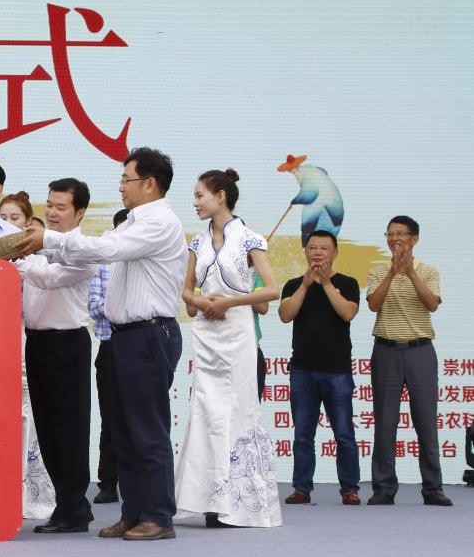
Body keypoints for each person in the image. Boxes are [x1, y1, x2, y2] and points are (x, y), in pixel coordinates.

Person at [16, 147, 186, 541]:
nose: (121, 187)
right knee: (122, 431)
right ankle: (134, 512)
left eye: (126, 180)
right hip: (122, 336)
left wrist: (48, 239)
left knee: (147, 429)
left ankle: (158, 515)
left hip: (149, 334)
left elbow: (105, 251)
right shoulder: (132, 222)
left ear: (150, 183)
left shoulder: (159, 222)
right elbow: (106, 246)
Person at [176, 169, 281, 528]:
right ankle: (208, 499)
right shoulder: (196, 242)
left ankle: (238, 502)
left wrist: (230, 302)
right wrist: (201, 302)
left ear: (220, 195)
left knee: (237, 410)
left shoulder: (250, 239)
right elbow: (186, 291)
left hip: (237, 332)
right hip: (207, 333)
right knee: (206, 411)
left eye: (200, 195)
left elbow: (272, 290)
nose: (195, 202)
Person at [17, 179, 96, 533]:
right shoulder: (38, 246)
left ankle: (73, 508)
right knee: (48, 428)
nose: (52, 212)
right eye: (49, 204)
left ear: (79, 213)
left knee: (69, 428)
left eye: (61, 207)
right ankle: (69, 505)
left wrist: (18, 262)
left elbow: (49, 278)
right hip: (36, 342)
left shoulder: (83, 251)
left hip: (67, 344)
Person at [365, 216, 451, 507]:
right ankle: (384, 488)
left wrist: (411, 273)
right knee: (385, 422)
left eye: (401, 234)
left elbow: (431, 304)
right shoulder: (378, 270)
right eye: (390, 234)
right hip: (386, 350)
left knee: (426, 421)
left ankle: (433, 488)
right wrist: (392, 273)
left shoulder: (428, 271)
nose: (395, 239)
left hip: (420, 351)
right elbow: (373, 304)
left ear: (414, 239)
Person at [277, 229, 361, 505]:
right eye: (312, 248)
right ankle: (301, 488)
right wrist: (305, 285)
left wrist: (325, 283)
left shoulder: (347, 283)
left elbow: (347, 313)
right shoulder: (293, 284)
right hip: (303, 371)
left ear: (335, 253)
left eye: (324, 248)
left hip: (337, 371)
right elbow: (285, 315)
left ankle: (349, 488)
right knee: (303, 434)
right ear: (305, 252)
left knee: (344, 434)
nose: (318, 253)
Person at [88, 208, 129, 505]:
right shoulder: (103, 264)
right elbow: (94, 306)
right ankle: (108, 482)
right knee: (110, 417)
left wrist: (117, 306)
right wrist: (126, 307)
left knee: (139, 418)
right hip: (110, 346)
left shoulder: (148, 261)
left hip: (141, 345)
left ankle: (135, 481)